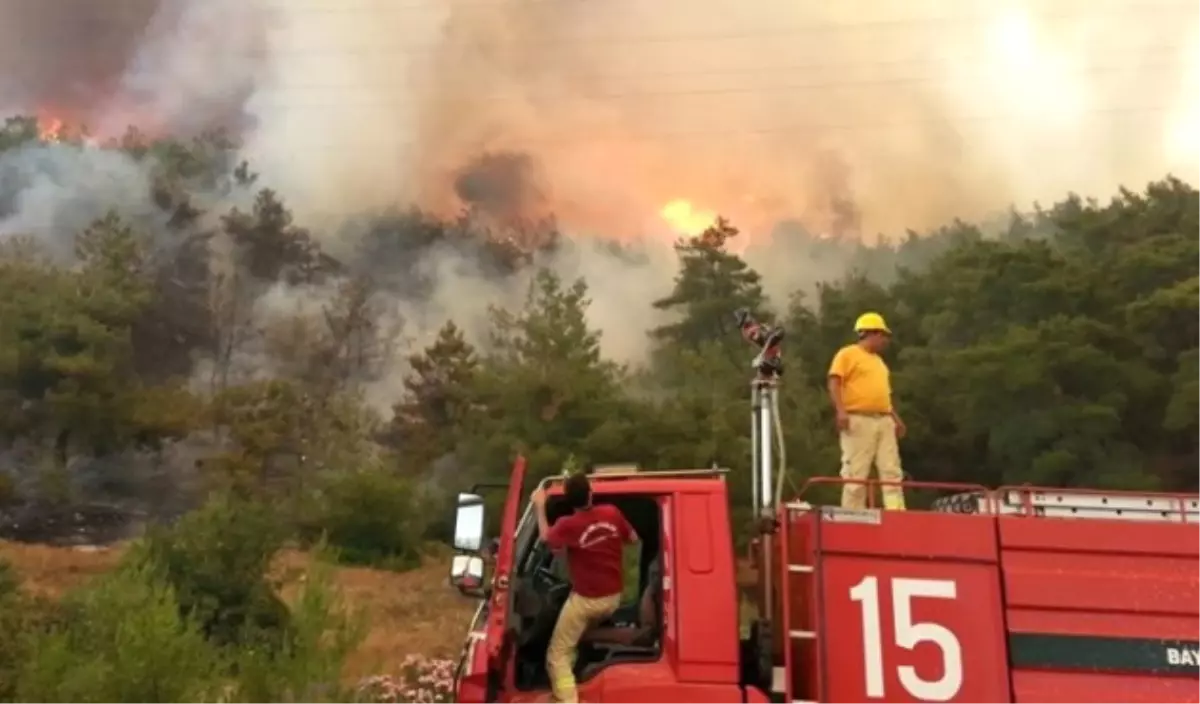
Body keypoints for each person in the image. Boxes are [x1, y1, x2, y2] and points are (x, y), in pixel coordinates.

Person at [532, 472, 638, 703]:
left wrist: (539, 506)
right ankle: (574, 680)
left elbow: (544, 538)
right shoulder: (611, 512)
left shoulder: (567, 525)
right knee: (576, 636)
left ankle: (568, 699)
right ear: (591, 493)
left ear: (569, 500)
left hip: (587, 601)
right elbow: (633, 538)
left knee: (557, 654)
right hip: (613, 597)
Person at [826, 312, 907, 511]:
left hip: (883, 419)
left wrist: (895, 418)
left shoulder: (879, 362)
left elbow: (884, 396)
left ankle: (896, 513)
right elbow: (834, 382)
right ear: (872, 333)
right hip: (858, 419)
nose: (885, 341)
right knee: (856, 472)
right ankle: (853, 516)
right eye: (883, 336)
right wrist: (841, 411)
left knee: (892, 471)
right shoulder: (848, 354)